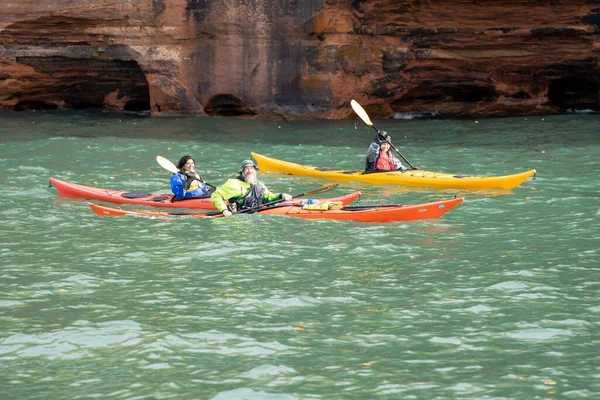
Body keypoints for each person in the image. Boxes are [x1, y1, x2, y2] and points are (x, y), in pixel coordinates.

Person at [211, 159, 293, 216]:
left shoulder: (259, 185)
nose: (250, 171)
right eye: (246, 169)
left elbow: (269, 198)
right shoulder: (234, 184)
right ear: (242, 172)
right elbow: (216, 195)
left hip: (256, 217)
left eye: (251, 168)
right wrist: (224, 210)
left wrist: (281, 195)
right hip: (239, 218)